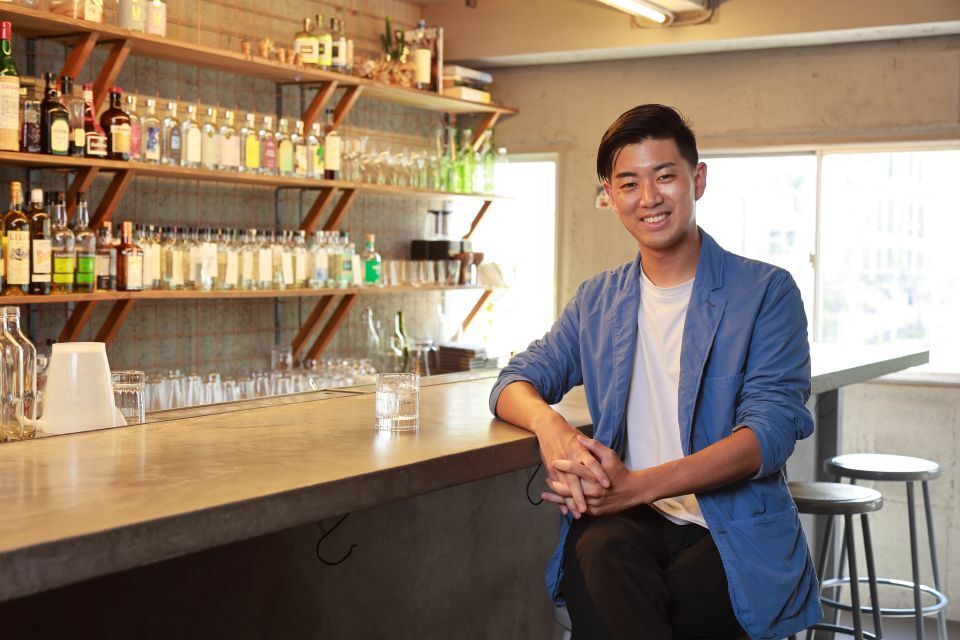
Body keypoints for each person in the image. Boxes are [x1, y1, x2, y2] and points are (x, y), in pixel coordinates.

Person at [489, 104, 822, 640]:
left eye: (665, 176)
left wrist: (635, 486)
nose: (649, 198)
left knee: (683, 603)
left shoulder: (764, 293)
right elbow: (515, 381)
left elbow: (769, 436)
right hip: (627, 521)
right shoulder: (598, 299)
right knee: (596, 556)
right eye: (629, 183)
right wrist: (555, 430)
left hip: (725, 525)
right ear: (609, 195)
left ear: (698, 179)